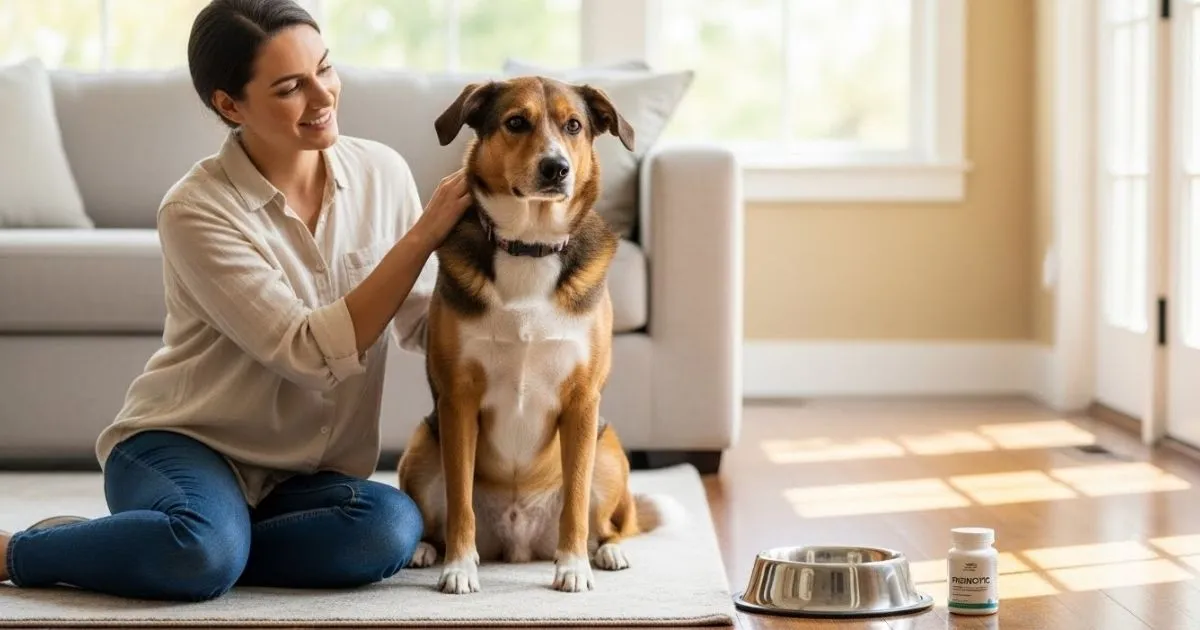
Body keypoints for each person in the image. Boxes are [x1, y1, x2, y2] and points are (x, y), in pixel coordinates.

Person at [0, 0, 470, 602]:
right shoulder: (195, 210)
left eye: (324, 69)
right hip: (184, 446)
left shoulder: (382, 172)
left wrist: (519, 326)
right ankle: (23, 549)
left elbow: (426, 323)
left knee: (389, 529)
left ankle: (172, 544)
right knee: (204, 551)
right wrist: (423, 235)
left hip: (304, 479)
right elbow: (307, 353)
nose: (323, 97)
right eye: (290, 87)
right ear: (229, 105)